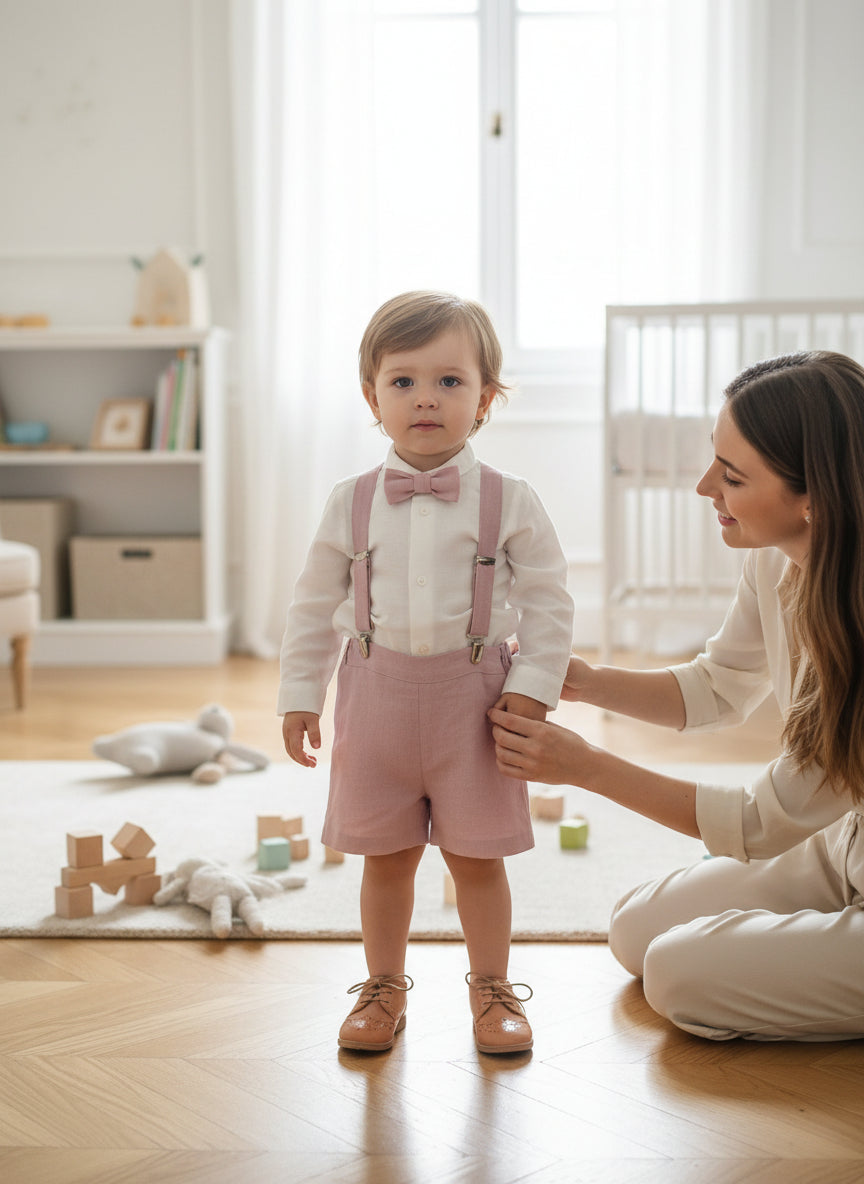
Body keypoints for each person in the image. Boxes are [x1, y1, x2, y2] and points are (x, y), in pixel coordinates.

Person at [490, 349, 864, 1042]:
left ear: (812, 498)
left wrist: (585, 766)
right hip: (847, 845)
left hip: (823, 842)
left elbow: (757, 824)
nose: (702, 488)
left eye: (731, 475)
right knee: (636, 931)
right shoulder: (777, 558)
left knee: (676, 975)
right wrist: (586, 681)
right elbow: (719, 686)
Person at [278, 290, 574, 1053]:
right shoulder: (350, 502)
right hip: (374, 700)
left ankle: (492, 988)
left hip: (476, 705)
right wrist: (298, 696)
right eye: (403, 381)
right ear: (371, 396)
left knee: (478, 861)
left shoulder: (512, 500)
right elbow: (313, 607)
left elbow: (549, 604)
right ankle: (382, 988)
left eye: (450, 381)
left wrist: (533, 691)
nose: (426, 399)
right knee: (386, 858)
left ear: (485, 401)